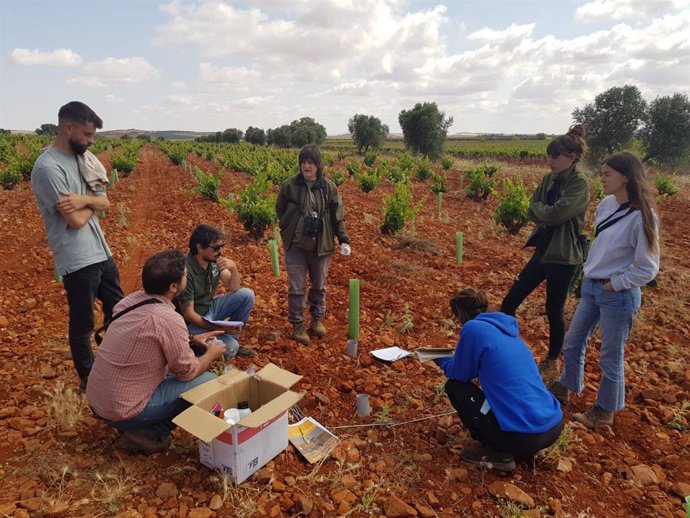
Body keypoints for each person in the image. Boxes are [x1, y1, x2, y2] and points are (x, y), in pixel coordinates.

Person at [550, 152, 659, 430]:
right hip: (592, 287)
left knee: (611, 356)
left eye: (608, 174)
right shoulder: (607, 204)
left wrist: (614, 283)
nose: (602, 179)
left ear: (626, 177)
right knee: (573, 342)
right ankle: (566, 387)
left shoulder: (643, 217)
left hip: (617, 295)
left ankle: (604, 411)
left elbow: (647, 269)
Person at [87, 250, 226, 454]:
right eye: (185, 275)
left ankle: (136, 425)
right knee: (208, 381)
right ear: (173, 286)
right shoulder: (168, 319)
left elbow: (148, 339)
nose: (188, 277)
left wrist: (190, 339)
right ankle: (150, 432)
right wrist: (210, 355)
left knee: (174, 369)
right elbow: (187, 371)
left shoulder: (130, 301)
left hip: (98, 400)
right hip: (123, 410)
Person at [30, 101, 124, 392]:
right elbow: (74, 221)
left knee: (119, 309)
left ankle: (118, 360)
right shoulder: (48, 168)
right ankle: (90, 379)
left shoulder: (85, 159)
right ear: (68, 128)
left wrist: (84, 200)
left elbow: (104, 202)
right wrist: (92, 202)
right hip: (77, 257)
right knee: (83, 323)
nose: (91, 140)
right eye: (87, 134)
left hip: (101, 250)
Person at [435, 289, 563, 472]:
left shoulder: (473, 329)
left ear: (461, 314)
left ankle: (497, 452)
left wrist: (438, 358)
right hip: (552, 427)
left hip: (522, 437)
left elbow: (461, 374)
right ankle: (531, 448)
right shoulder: (508, 331)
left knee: (455, 387)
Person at [500, 125, 590, 382]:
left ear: (571, 157)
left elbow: (556, 213)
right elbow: (532, 208)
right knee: (510, 301)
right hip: (543, 249)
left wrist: (545, 211)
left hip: (563, 255)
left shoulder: (579, 183)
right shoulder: (549, 179)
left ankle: (551, 361)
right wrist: (546, 212)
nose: (549, 161)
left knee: (554, 310)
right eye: (548, 156)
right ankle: (506, 349)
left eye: (554, 157)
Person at [276, 144, 350, 345]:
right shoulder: (289, 186)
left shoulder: (328, 187)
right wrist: (289, 227)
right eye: (303, 162)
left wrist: (343, 238)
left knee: (319, 286)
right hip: (296, 245)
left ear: (318, 164)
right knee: (296, 287)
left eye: (310, 162)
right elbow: (280, 210)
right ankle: (298, 324)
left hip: (321, 246)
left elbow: (338, 216)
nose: (306, 166)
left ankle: (316, 320)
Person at [177, 224, 256, 358]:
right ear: (200, 247)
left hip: (210, 310)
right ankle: (196, 345)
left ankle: (231, 339)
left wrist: (234, 269)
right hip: (192, 323)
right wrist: (214, 328)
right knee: (231, 348)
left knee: (247, 295)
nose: (220, 251)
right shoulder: (187, 272)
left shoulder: (213, 261)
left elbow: (234, 288)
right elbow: (188, 314)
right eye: (216, 248)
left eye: (221, 246)